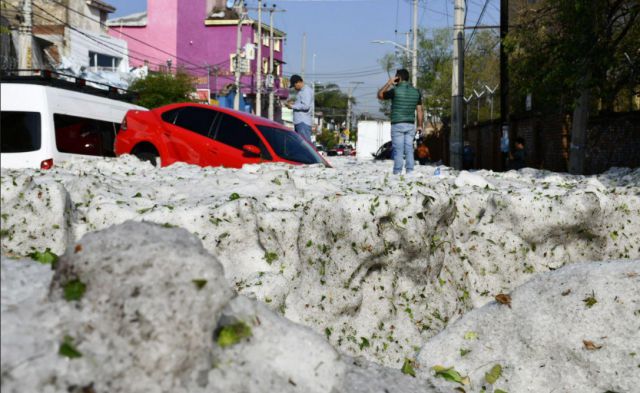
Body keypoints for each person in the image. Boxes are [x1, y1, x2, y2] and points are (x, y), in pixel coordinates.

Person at [377, 69, 423, 175]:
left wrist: (389, 83)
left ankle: (397, 172)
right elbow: (420, 110)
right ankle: (410, 172)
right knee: (409, 149)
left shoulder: (395, 91)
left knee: (398, 150)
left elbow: (380, 95)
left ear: (398, 78)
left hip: (397, 124)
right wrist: (420, 125)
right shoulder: (416, 92)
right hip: (410, 124)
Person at [285, 74, 314, 143]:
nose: (294, 88)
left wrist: (292, 106)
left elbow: (306, 106)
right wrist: (294, 104)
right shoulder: (301, 91)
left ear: (298, 82)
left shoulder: (306, 91)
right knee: (301, 144)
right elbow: (302, 104)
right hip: (300, 122)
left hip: (303, 122)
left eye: (294, 85)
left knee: (305, 145)